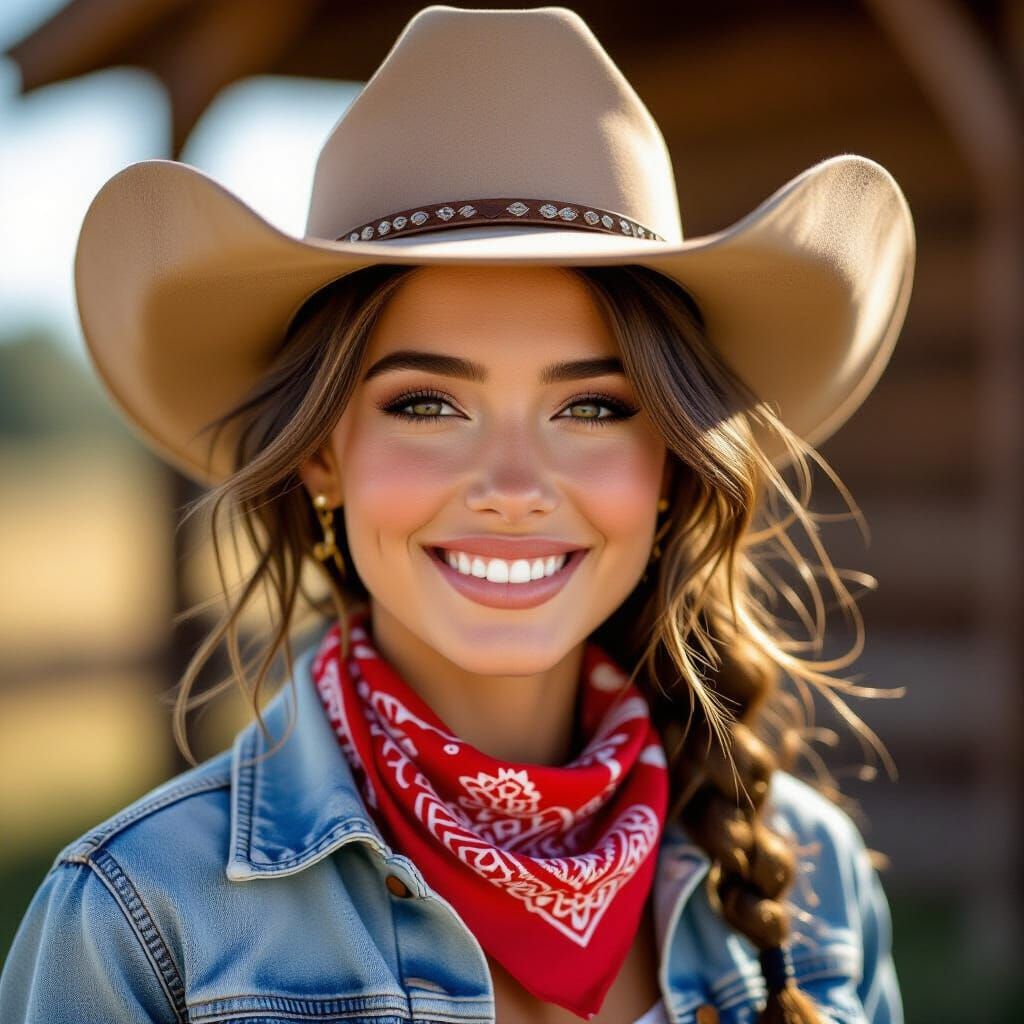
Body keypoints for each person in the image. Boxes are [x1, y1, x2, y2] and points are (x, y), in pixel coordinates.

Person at [0, 6, 914, 1024]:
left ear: (668, 467)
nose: (514, 482)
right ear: (320, 455)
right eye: (428, 405)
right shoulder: (139, 921)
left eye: (593, 407)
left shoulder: (816, 880)